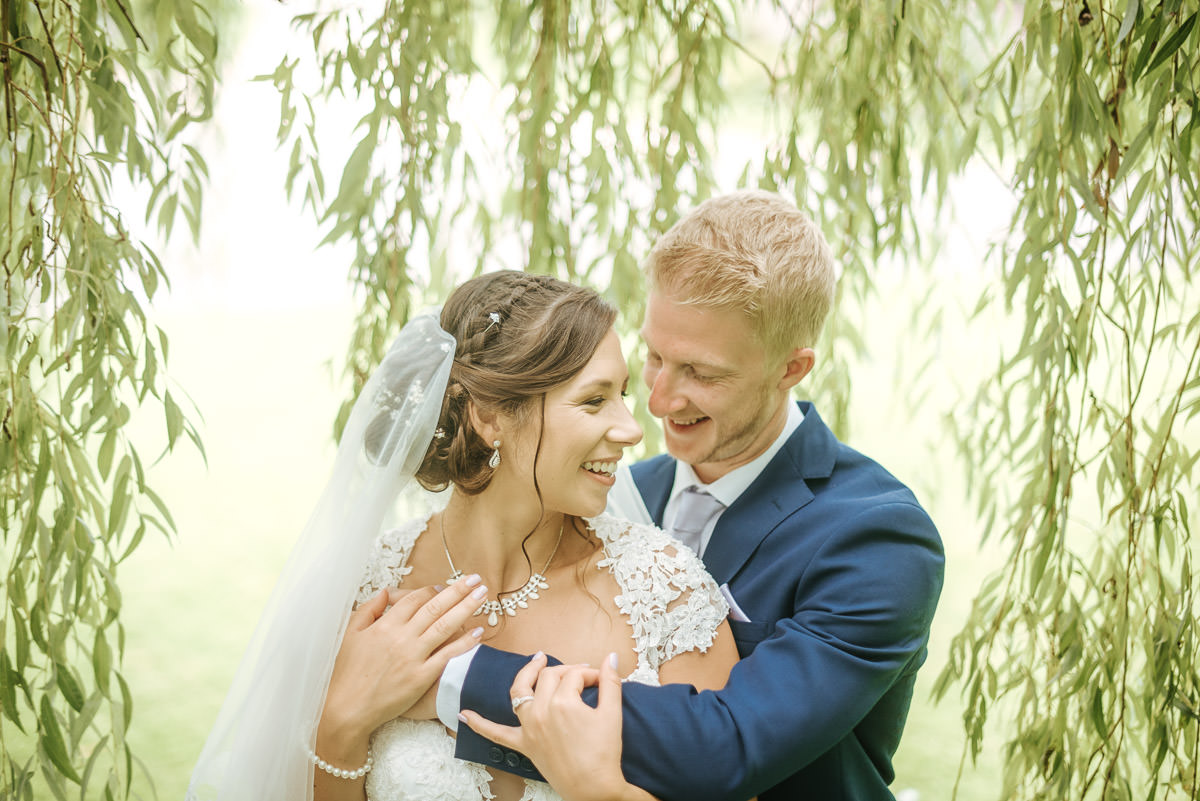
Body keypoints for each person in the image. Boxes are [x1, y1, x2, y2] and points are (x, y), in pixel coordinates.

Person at [445, 191, 946, 801]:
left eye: (702, 374)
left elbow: (728, 746)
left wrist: (449, 679)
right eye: (654, 357)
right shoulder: (608, 492)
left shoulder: (879, 540)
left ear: (792, 368)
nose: (656, 402)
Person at [186, 270, 740, 801]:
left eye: (622, 393)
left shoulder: (664, 589)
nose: (631, 427)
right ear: (489, 417)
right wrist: (341, 724)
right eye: (594, 400)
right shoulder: (370, 589)